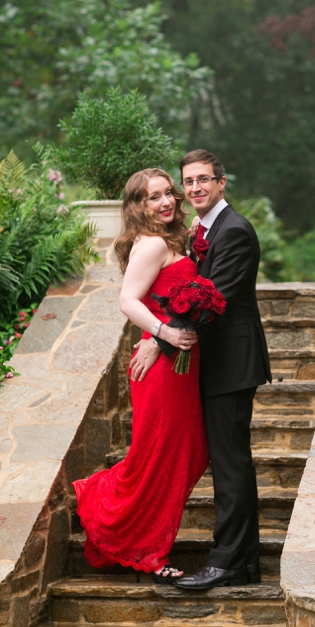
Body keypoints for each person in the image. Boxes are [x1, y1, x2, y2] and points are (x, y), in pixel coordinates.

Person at [131, 149, 272, 590]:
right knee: (230, 462)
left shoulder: (234, 232)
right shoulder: (202, 230)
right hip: (215, 364)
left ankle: (226, 560)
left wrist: (158, 338)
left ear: (222, 182)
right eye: (187, 182)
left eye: (203, 180)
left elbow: (213, 298)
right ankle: (245, 565)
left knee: (231, 464)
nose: (195, 189)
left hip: (231, 363)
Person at [72, 168, 209, 584]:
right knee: (160, 456)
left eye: (169, 193)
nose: (167, 202)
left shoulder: (172, 239)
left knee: (188, 452)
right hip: (165, 369)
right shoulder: (150, 245)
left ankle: (134, 531)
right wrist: (163, 333)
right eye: (154, 197)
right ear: (138, 205)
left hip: (180, 365)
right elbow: (128, 300)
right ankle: (146, 548)